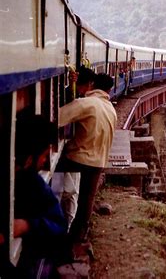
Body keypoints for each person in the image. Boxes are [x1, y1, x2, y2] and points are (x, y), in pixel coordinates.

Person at [0, 114, 68, 278]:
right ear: (30, 158)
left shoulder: (32, 182)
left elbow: (59, 226)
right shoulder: (31, 181)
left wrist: (27, 225)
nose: (45, 161)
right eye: (45, 155)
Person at [57, 73, 117, 243]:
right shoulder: (110, 108)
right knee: (86, 202)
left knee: (51, 174)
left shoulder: (86, 103)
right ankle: (78, 237)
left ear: (92, 85)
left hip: (79, 159)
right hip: (99, 162)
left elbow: (58, 118)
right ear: (109, 90)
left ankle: (55, 225)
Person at [52, 66, 97, 231]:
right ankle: (67, 227)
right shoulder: (86, 101)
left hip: (72, 153)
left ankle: (64, 228)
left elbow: (60, 116)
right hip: (75, 153)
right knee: (71, 193)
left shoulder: (82, 102)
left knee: (65, 192)